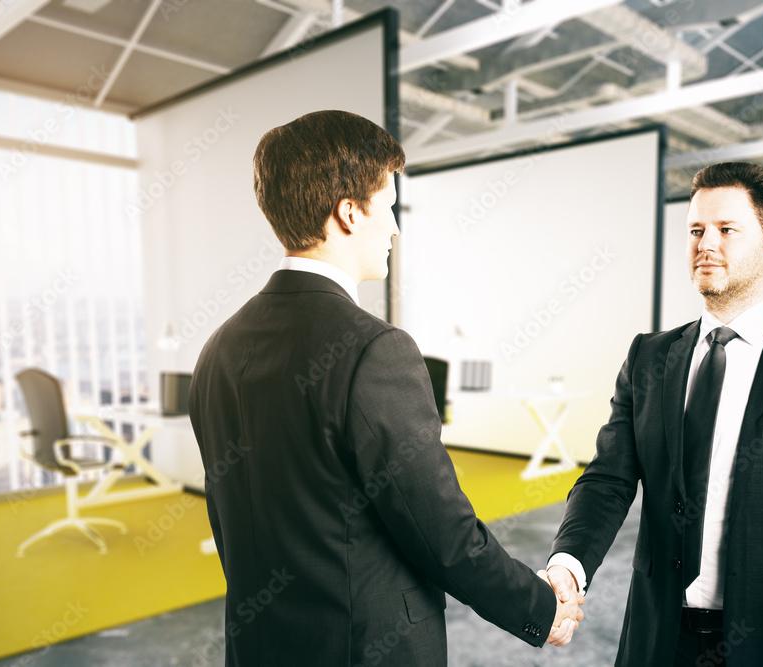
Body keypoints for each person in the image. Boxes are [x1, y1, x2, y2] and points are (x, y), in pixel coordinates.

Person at [188, 110, 583, 666]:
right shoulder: (376, 350)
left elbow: (233, 523)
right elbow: (439, 530)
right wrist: (541, 607)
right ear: (349, 213)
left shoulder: (218, 349)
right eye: (389, 206)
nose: (395, 228)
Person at [545, 162, 763, 666]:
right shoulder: (649, 356)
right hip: (658, 637)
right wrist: (570, 562)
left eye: (727, 229)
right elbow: (608, 478)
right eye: (697, 230)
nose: (707, 243)